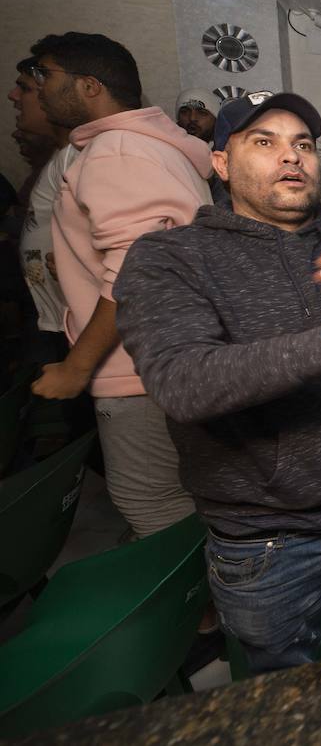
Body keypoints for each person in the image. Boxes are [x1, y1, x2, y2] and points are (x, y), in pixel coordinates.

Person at [115, 92, 321, 672]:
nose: (290, 157)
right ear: (221, 163)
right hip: (265, 544)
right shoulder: (170, 257)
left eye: (303, 144)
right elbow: (182, 383)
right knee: (284, 692)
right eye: (263, 142)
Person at [31, 31, 208, 538]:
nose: (37, 88)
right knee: (182, 491)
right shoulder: (153, 148)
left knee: (148, 502)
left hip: (135, 363)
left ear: (89, 85)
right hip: (170, 352)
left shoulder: (118, 151)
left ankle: (210, 609)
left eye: (47, 75)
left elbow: (136, 268)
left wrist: (77, 366)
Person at [11, 57, 75, 364]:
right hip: (55, 318)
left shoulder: (80, 157)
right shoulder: (60, 156)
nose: (13, 96)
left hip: (74, 319)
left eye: (24, 88)